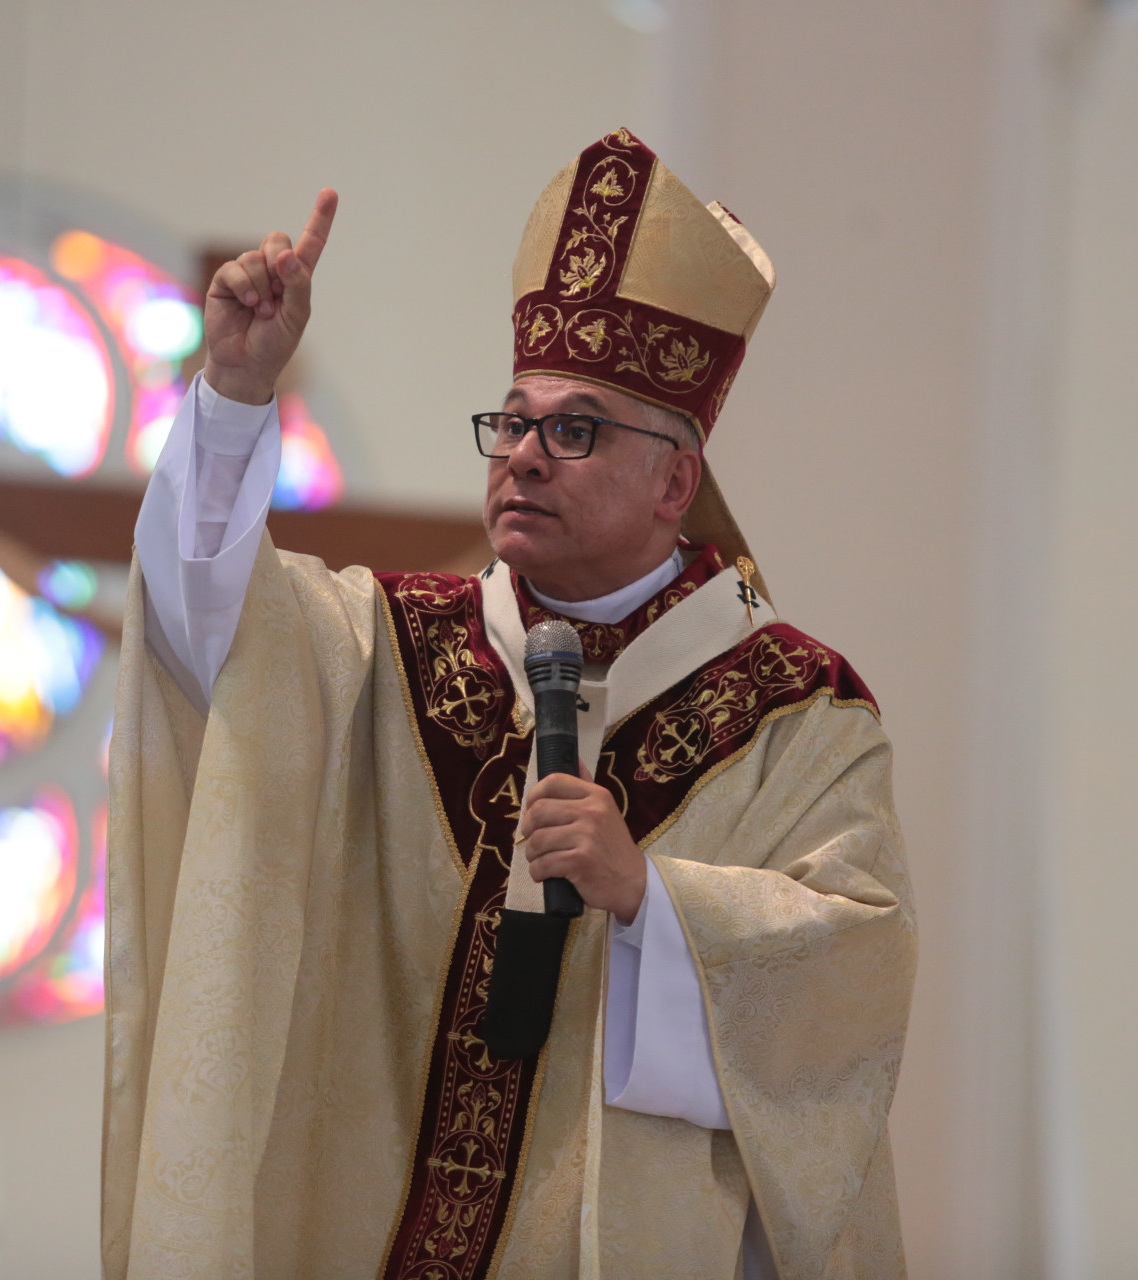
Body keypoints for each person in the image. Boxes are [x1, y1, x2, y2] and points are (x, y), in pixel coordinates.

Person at [105, 129, 916, 1280]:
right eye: (513, 419)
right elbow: (210, 633)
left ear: (674, 482)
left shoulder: (797, 716)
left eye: (575, 428)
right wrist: (236, 397)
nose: (524, 455)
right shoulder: (387, 644)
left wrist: (653, 900)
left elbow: (857, 982)